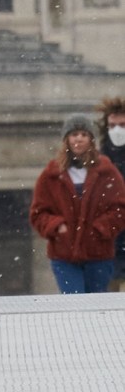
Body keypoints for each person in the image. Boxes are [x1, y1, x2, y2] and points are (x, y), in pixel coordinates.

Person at [29, 112, 125, 294]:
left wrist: (101, 228)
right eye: (74, 134)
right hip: (64, 255)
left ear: (91, 139)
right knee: (74, 303)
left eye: (84, 134)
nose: (78, 139)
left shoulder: (107, 172)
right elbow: (38, 213)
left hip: (99, 254)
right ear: (66, 140)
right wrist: (56, 226)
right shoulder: (51, 175)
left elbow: (120, 208)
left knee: (96, 307)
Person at [96, 97, 125, 290]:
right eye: (112, 125)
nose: (117, 130)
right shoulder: (98, 160)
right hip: (110, 241)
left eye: (122, 125)